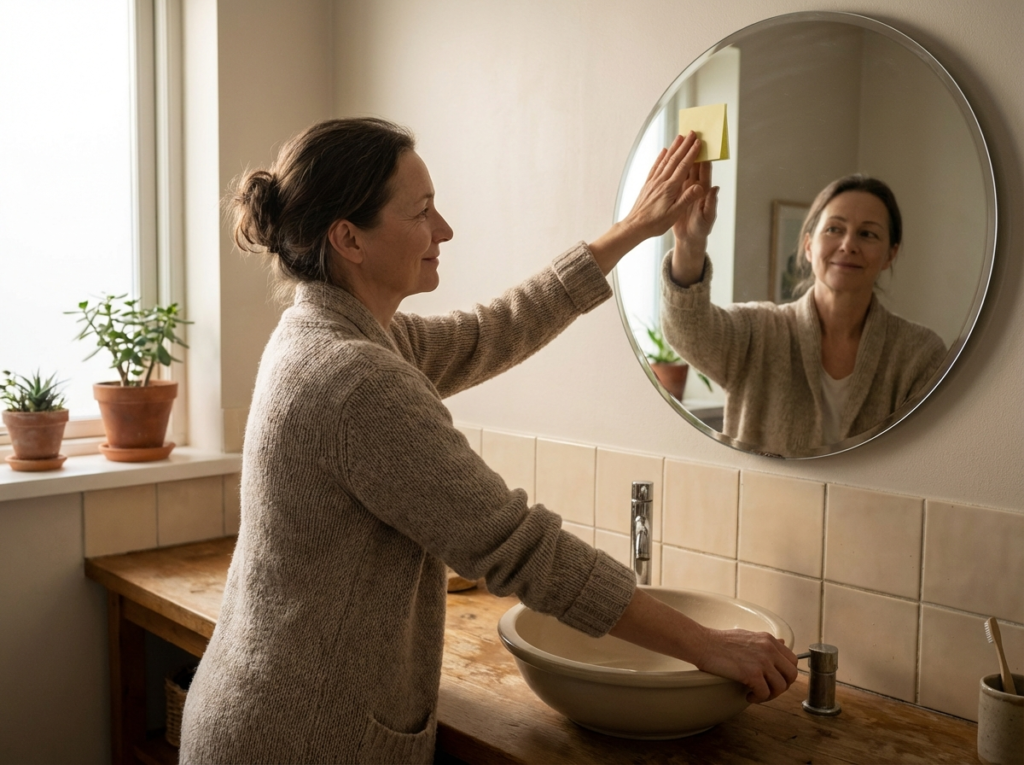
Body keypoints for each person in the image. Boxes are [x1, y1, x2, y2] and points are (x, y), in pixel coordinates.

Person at [179, 118, 797, 764]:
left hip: (262, 711)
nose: (443, 230)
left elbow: (496, 329)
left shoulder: (332, 332)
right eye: (422, 212)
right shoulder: (355, 377)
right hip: (300, 739)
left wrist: (634, 229)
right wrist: (707, 645)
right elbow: (524, 549)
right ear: (348, 238)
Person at [661, 164, 946, 456]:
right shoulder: (757, 331)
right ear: (809, 246)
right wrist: (689, 243)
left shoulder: (919, 354)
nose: (848, 245)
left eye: (868, 234)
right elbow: (689, 331)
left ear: (890, 254)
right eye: (834, 229)